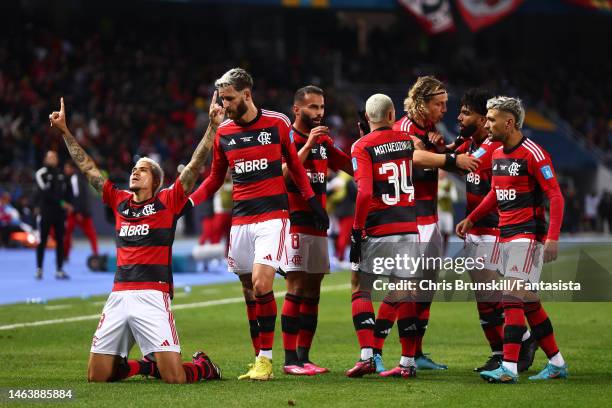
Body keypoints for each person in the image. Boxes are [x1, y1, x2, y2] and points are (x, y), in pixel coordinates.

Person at [49, 94, 223, 384]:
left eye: (142, 169)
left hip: (153, 295)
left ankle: (204, 366)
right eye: (134, 168)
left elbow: (193, 167)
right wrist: (66, 132)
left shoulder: (169, 200)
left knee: (176, 378)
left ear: (156, 181)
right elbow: (89, 168)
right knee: (98, 377)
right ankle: (145, 366)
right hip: (118, 294)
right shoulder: (119, 201)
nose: (135, 171)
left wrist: (212, 127)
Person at [188, 69, 328, 381]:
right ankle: (257, 358)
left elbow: (294, 164)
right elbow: (214, 179)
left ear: (247, 94)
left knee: (263, 284)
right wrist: (189, 202)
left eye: (230, 98)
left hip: (273, 217)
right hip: (241, 220)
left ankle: (266, 361)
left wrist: (312, 201)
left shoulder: (277, 123)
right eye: (222, 99)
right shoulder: (224, 132)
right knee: (249, 290)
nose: (225, 105)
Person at [346, 93, 479, 378]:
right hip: (409, 225)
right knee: (406, 289)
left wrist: (356, 230)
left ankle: (368, 355)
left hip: (379, 225)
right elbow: (425, 155)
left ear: (368, 118)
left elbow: (365, 192)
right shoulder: (407, 141)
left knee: (361, 286)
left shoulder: (361, 146)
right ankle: (407, 362)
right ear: (393, 116)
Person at [456, 96, 568, 383]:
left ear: (509, 122)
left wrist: (552, 238)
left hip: (527, 236)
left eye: (492, 119)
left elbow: (555, 195)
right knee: (529, 304)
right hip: (505, 236)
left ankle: (508, 367)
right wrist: (473, 218)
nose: (487, 124)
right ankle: (556, 363)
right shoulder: (496, 154)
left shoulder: (533, 153)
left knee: (510, 298)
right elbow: (495, 193)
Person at [453, 88, 537, 373]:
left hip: (494, 227)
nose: (460, 117)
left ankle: (523, 339)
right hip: (474, 226)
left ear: (482, 118)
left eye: (467, 113)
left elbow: (470, 166)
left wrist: (443, 155)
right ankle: (500, 350)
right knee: (482, 293)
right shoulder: (467, 144)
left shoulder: (491, 146)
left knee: (496, 290)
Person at [373, 76, 450, 372]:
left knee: (426, 287)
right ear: (422, 103)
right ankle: (373, 352)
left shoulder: (429, 129)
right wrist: (450, 159)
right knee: (402, 287)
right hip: (411, 219)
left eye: (445, 104)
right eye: (438, 104)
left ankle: (416, 352)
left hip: (430, 217)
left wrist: (446, 149)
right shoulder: (403, 128)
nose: (444, 109)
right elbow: (415, 158)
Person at [280, 85, 353, 375]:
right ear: (297, 109)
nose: (319, 113)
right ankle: (289, 361)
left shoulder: (324, 140)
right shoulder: (287, 137)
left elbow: (347, 163)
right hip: (295, 219)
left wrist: (369, 156)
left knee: (313, 291)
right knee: (296, 286)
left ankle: (304, 356)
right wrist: (308, 145)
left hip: (319, 222)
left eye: (321, 107)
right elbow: (283, 175)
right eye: (313, 107)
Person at [34, 150, 72, 280]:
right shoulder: (41, 174)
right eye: (50, 157)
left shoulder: (62, 174)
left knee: (60, 241)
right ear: (45, 159)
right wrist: (62, 202)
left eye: (54, 157)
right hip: (46, 212)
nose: (52, 159)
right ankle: (39, 269)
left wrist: (69, 203)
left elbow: (68, 191)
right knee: (42, 241)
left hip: (60, 214)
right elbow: (45, 193)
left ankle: (59, 269)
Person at [63, 161, 99, 261]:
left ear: (72, 169)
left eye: (67, 167)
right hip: (78, 211)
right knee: (68, 233)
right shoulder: (75, 178)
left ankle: (95, 254)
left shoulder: (75, 179)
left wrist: (78, 211)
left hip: (79, 212)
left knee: (89, 234)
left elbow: (79, 196)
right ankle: (65, 255)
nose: (65, 170)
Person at [436, 169, 457, 254]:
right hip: (437, 212)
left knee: (447, 232)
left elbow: (455, 198)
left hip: (447, 212)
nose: (441, 174)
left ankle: (444, 253)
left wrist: (445, 194)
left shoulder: (450, 184)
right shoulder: (435, 183)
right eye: (439, 172)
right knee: (438, 233)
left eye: (443, 172)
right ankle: (438, 252)